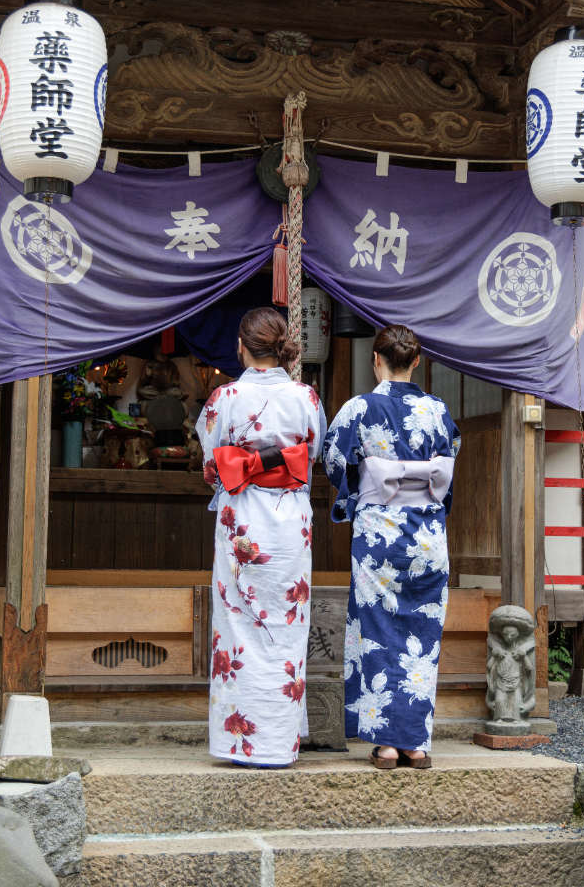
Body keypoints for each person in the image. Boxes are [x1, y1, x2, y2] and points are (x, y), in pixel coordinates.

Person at [322, 325, 460, 769]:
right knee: (423, 636)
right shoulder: (438, 410)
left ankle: (385, 745)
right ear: (416, 362)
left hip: (379, 534)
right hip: (427, 535)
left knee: (378, 629)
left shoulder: (360, 407)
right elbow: (450, 458)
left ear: (375, 360)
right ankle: (415, 744)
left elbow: (332, 459)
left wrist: (358, 492)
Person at [197, 307, 327, 767]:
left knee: (237, 626)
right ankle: (277, 743)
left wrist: (240, 466)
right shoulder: (307, 398)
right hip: (289, 519)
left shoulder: (225, 397)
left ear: (241, 346)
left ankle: (241, 743)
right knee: (286, 627)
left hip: (243, 520)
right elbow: (313, 451)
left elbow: (212, 463)